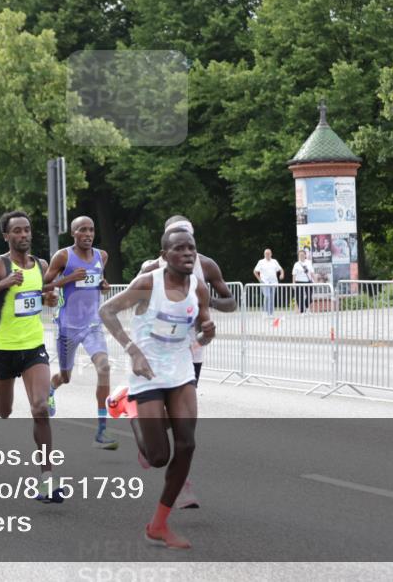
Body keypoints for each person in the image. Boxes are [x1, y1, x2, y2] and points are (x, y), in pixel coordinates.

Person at [100, 226, 215, 549]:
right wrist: (132, 350)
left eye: (191, 248)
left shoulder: (198, 287)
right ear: (165, 256)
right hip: (146, 371)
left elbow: (201, 331)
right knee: (158, 456)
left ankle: (158, 525)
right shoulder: (148, 283)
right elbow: (106, 311)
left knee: (187, 444)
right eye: (179, 249)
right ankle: (125, 403)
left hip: (179, 370)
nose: (188, 254)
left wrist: (207, 332)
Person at [136, 215, 235, 509]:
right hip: (158, 351)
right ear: (166, 244)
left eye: (188, 237)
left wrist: (206, 303)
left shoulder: (206, 265)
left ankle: (152, 438)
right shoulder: (151, 269)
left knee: (183, 422)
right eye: (176, 238)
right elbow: (135, 306)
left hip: (191, 350)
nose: (185, 247)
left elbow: (230, 302)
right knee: (174, 421)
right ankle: (180, 482)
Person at [0, 211, 63, 502]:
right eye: (17, 231)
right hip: (3, 349)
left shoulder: (41, 264)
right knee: (5, 411)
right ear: (6, 236)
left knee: (40, 408)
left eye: (27, 230)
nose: (23, 235)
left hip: (34, 347)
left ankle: (47, 479)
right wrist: (3, 285)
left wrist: (50, 297)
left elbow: (42, 293)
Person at [43, 216, 117, 450]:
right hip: (67, 326)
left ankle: (102, 430)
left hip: (92, 324)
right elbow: (42, 286)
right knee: (66, 376)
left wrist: (103, 285)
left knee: (104, 367)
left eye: (91, 230)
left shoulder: (101, 256)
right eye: (82, 230)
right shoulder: (63, 256)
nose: (88, 234)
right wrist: (68, 279)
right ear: (73, 233)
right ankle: (52, 388)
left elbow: (98, 281)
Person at [252, 248, 284, 315]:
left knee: (272, 298)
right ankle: (265, 312)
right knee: (267, 296)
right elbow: (255, 271)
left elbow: (281, 269)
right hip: (265, 282)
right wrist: (260, 280)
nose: (267, 254)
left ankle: (271, 313)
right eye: (266, 253)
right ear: (264, 254)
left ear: (271, 254)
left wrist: (282, 274)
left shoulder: (274, 261)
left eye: (268, 253)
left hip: (274, 282)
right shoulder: (261, 262)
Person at [292, 249, 314, 314]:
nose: (301, 256)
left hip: (308, 281)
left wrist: (315, 281)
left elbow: (312, 272)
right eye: (300, 255)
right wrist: (293, 283)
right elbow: (294, 274)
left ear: (305, 255)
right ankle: (302, 311)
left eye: (302, 254)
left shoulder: (309, 262)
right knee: (299, 297)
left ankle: (306, 307)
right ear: (298, 256)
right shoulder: (296, 264)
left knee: (309, 296)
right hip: (299, 281)